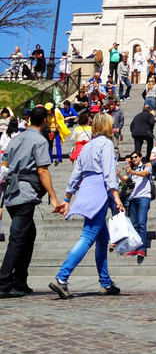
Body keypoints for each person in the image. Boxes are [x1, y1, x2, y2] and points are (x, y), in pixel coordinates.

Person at [49, 113, 124, 299]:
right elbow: (108, 173)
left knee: (102, 238)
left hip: (87, 189)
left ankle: (105, 282)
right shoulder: (107, 144)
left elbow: (76, 173)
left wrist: (67, 197)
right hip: (100, 191)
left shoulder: (87, 145)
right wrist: (116, 196)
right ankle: (62, 277)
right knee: (88, 237)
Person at [0, 107, 65, 297]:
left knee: (29, 234)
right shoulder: (40, 140)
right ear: (44, 121)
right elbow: (42, 170)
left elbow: (4, 166)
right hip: (25, 193)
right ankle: (3, 282)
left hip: (11, 192)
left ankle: (20, 280)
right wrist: (54, 198)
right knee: (18, 238)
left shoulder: (15, 139)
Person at [119, 151, 151, 257]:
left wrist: (131, 171)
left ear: (141, 157)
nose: (134, 159)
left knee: (141, 222)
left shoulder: (147, 165)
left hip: (144, 197)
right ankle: (135, 247)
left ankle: (142, 248)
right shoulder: (132, 170)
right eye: (132, 158)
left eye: (136, 157)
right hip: (133, 197)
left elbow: (145, 173)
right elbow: (126, 179)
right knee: (134, 224)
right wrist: (119, 175)